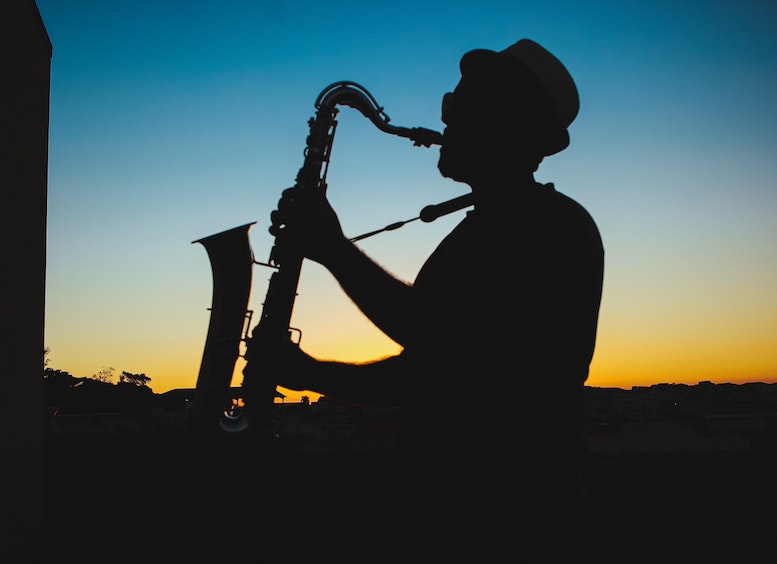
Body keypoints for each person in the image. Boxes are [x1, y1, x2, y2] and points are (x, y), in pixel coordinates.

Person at [262, 38, 604, 561]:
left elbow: (463, 342)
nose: (446, 121)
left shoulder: (556, 227)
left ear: (520, 132)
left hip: (518, 524)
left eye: (465, 109)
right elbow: (426, 373)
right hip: (456, 517)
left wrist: (333, 250)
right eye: (451, 105)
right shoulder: (478, 231)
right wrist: (310, 373)